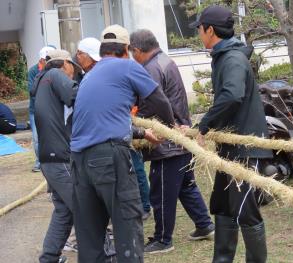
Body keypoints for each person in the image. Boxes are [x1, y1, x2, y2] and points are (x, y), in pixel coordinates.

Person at [70, 24, 175, 263]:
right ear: (126, 49)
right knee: (127, 221)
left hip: (78, 162)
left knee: (90, 233)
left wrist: (141, 133)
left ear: (102, 50)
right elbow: (159, 100)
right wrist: (170, 128)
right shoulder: (127, 66)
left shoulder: (90, 76)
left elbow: (104, 119)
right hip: (108, 157)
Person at [189, 6, 273, 263]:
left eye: (200, 29)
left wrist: (205, 124)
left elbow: (232, 95)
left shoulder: (233, 59)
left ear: (210, 30)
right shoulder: (223, 56)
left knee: (246, 212)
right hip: (230, 150)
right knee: (224, 207)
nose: (199, 34)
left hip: (246, 150)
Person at [130, 29, 214, 254]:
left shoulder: (150, 69)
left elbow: (154, 103)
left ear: (137, 50)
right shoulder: (165, 61)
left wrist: (139, 126)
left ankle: (163, 239)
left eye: (131, 53)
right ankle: (204, 225)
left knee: (161, 192)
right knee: (186, 186)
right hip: (181, 135)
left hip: (168, 141)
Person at [31, 49, 80, 263]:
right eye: (73, 68)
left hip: (48, 157)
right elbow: (80, 96)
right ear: (64, 64)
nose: (73, 74)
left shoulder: (42, 80)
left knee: (64, 210)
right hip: (60, 157)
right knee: (83, 207)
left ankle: (49, 258)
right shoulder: (55, 75)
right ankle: (107, 255)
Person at [28, 46, 56, 172]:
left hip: (53, 108)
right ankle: (40, 161)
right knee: (37, 138)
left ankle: (54, 159)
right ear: (41, 60)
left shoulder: (55, 69)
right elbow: (31, 91)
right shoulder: (33, 71)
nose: (48, 61)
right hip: (36, 110)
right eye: (46, 59)